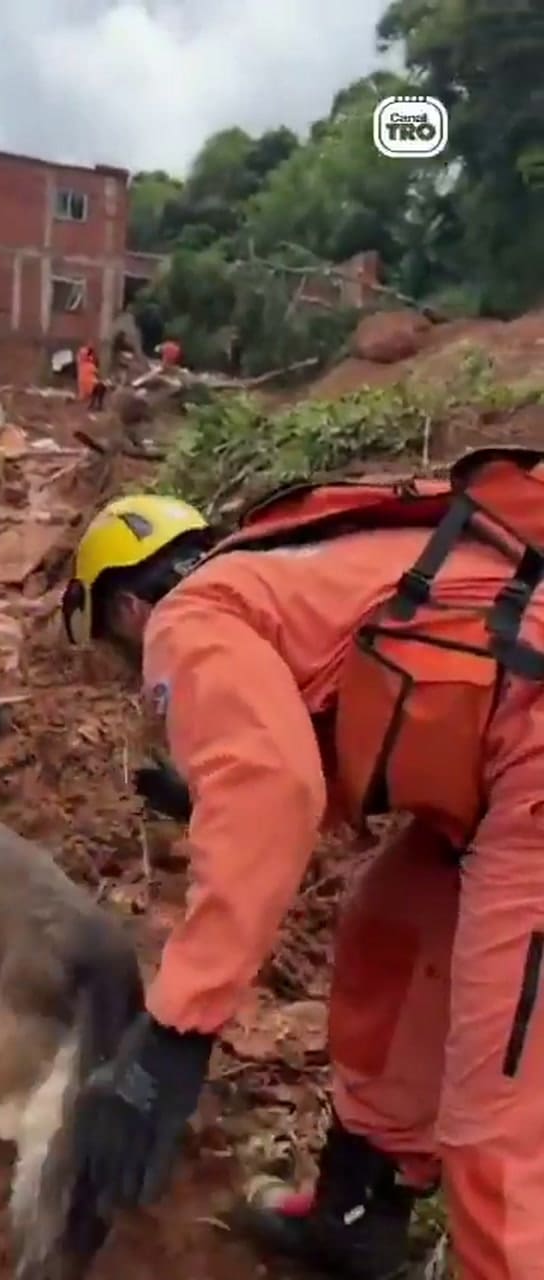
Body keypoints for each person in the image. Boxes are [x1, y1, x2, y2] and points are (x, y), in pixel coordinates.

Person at [60, 452, 544, 1280]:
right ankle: (359, 1213)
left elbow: (272, 788)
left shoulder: (186, 619)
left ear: (128, 608)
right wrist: (213, 792)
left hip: (527, 762)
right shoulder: (283, 573)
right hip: (501, 758)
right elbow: (378, 709)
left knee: (495, 1126)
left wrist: (176, 1030)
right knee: (390, 937)